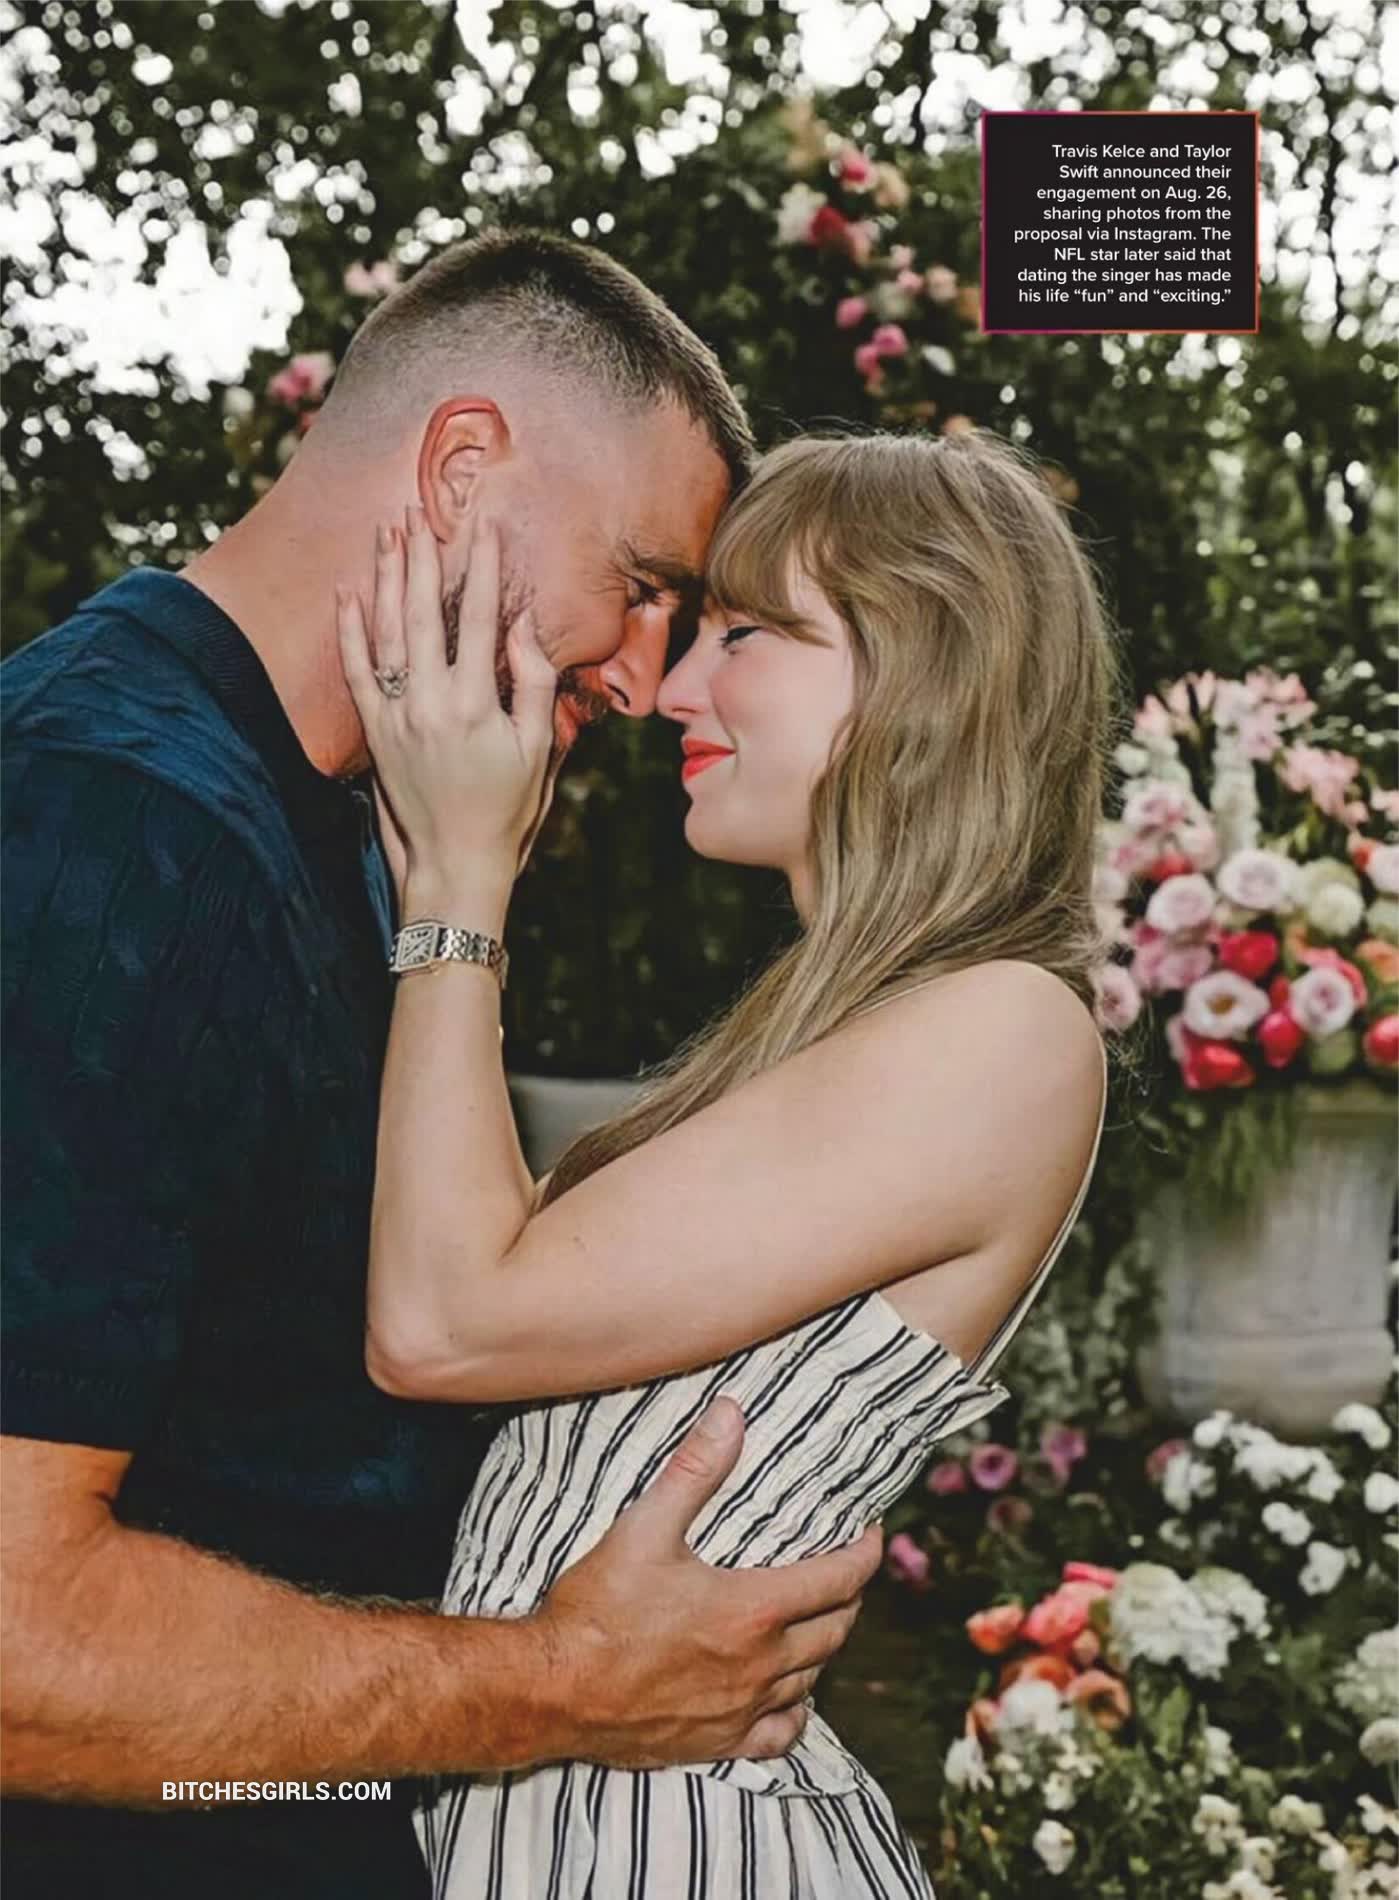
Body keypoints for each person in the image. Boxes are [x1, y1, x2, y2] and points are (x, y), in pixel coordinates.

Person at [0, 231, 882, 1900]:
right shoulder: (99, 823)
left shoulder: (343, 826)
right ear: (462, 465)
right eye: (643, 586)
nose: (646, 679)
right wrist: (568, 1684)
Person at [338, 426, 1115, 1896]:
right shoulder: (831, 1034)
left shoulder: (1005, 1029)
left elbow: (442, 1320)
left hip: (678, 1843)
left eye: (745, 634)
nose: (676, 688)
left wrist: (461, 882)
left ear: (927, 671)